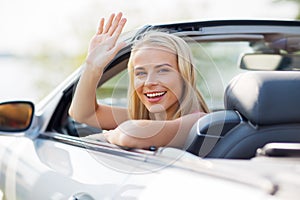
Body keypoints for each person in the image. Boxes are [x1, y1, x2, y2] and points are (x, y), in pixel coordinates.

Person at [69, 12, 209, 149]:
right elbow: (82, 114)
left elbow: (131, 134)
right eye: (141, 73)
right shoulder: (149, 118)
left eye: (162, 70)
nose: (149, 82)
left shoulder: (198, 122)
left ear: (185, 75)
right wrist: (91, 67)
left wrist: (106, 136)